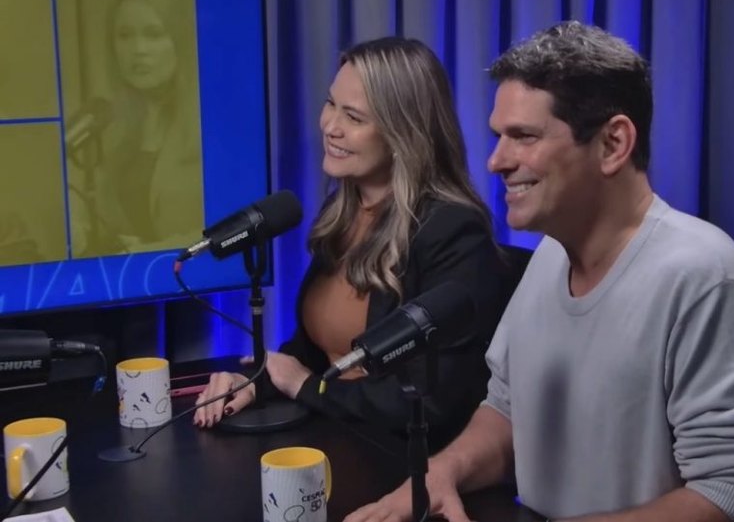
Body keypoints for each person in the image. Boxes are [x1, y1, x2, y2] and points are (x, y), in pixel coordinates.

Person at [347, 22, 734, 522]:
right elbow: (507, 409)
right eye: (499, 137)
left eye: (523, 137)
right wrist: (443, 472)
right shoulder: (551, 256)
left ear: (613, 143)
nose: (495, 161)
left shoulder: (707, 281)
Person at [194, 37, 512, 448]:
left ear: (403, 134)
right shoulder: (343, 210)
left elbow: (431, 401)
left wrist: (306, 386)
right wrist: (259, 380)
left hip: (400, 453)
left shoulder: (453, 231)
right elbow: (316, 351)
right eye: (331, 103)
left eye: (354, 117)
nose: (330, 126)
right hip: (333, 428)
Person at [77, 0, 204, 256]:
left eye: (154, 34)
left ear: (179, 41)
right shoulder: (112, 128)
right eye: (124, 36)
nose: (138, 50)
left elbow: (229, 228)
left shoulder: (208, 126)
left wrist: (149, 252)